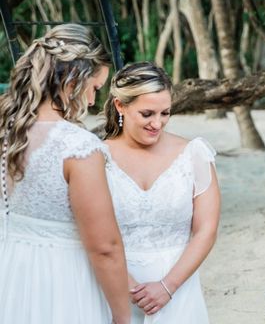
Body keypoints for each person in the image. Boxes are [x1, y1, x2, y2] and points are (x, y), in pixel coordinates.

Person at [0, 23, 131, 324]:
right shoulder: (77, 146)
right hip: (60, 282)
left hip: (8, 275)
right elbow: (104, 247)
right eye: (95, 88)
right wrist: (123, 317)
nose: (93, 101)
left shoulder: (5, 131)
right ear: (73, 79)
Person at [103, 61, 221, 323]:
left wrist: (167, 287)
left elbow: (206, 229)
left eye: (165, 113)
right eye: (147, 114)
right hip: (113, 287)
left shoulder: (194, 154)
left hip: (178, 288)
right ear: (120, 106)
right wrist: (131, 287)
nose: (157, 123)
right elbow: (91, 233)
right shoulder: (96, 157)